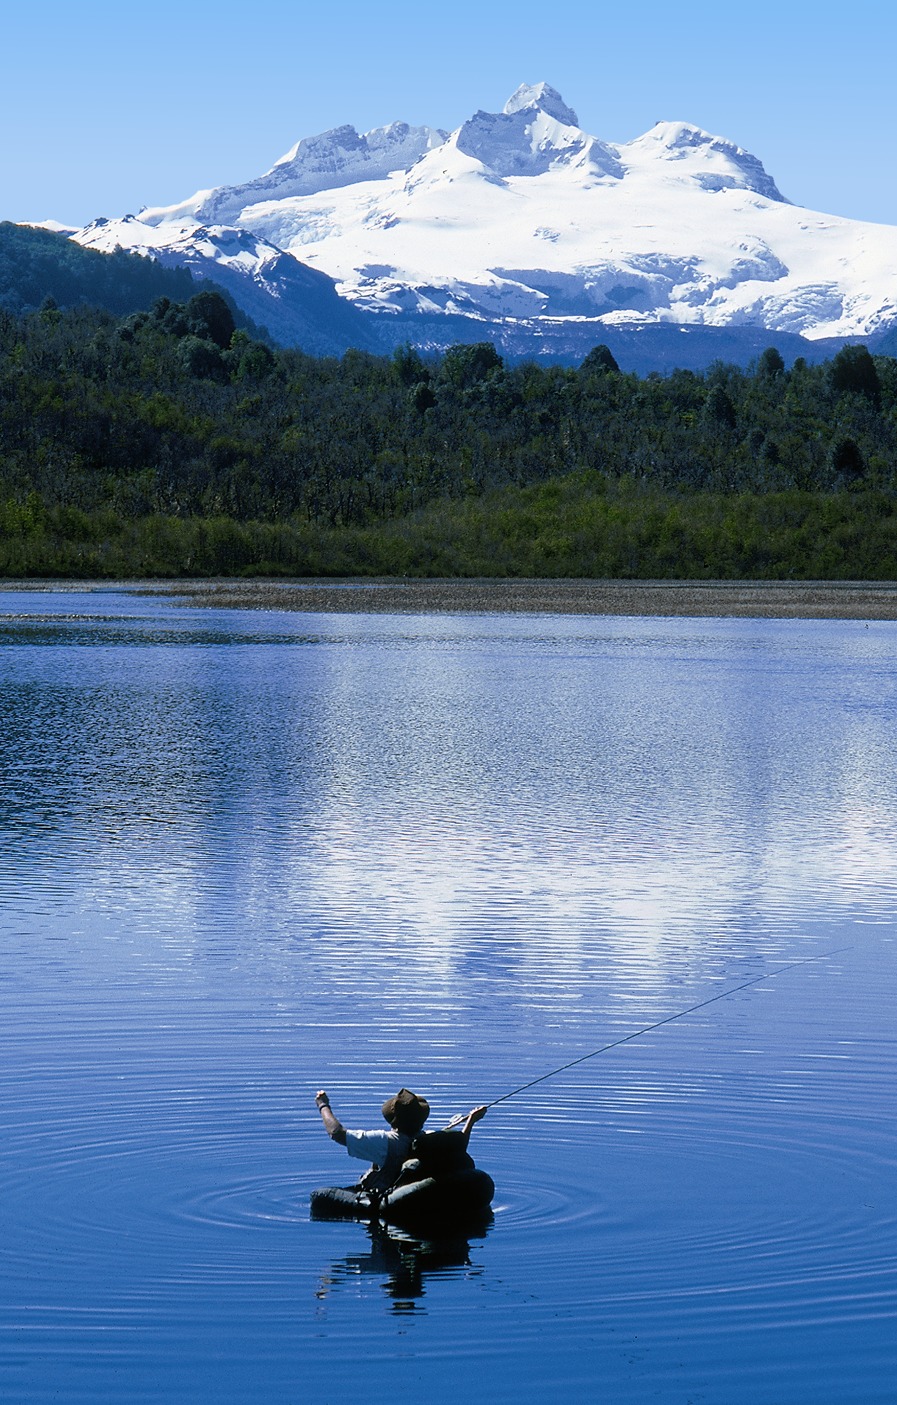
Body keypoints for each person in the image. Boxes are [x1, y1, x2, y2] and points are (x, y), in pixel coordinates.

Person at [315, 1087, 487, 1194]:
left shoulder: (384, 1142)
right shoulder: (429, 1139)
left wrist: (323, 1105)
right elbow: (460, 1143)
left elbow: (336, 1133)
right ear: (422, 1119)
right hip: (417, 1198)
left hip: (391, 1203)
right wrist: (471, 1121)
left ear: (392, 1119)